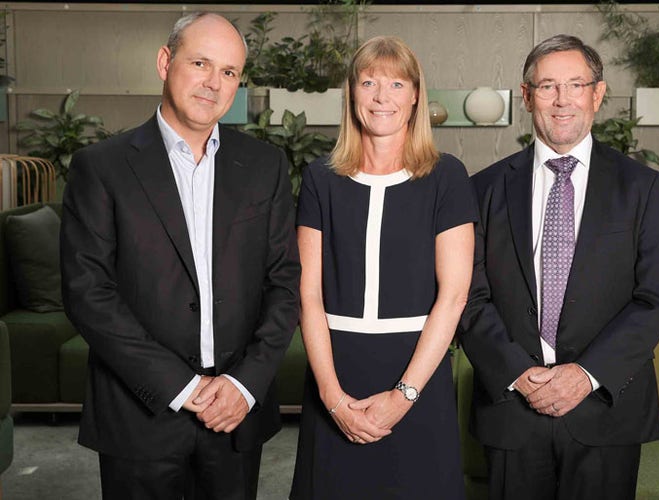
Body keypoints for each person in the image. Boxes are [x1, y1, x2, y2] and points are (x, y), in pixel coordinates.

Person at [60, 12, 300, 500]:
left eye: (229, 71)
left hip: (236, 415)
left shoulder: (265, 166)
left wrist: (246, 385)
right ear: (165, 62)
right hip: (139, 416)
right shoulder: (101, 167)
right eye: (200, 63)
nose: (214, 83)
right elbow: (89, 292)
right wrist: (182, 387)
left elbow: (284, 282)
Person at [458, 34, 659, 500]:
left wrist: (585, 375)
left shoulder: (641, 187)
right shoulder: (484, 189)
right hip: (512, 407)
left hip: (606, 409)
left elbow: (655, 299)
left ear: (597, 94)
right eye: (547, 86)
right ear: (526, 96)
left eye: (576, 85)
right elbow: (469, 297)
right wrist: (519, 374)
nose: (562, 100)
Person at [289, 35, 476, 500]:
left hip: (418, 375)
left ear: (415, 96)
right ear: (352, 93)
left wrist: (403, 395)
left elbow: (454, 296)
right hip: (336, 374)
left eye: (396, 84)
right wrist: (332, 398)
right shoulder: (319, 178)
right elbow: (308, 296)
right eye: (368, 82)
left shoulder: (447, 176)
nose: (381, 97)